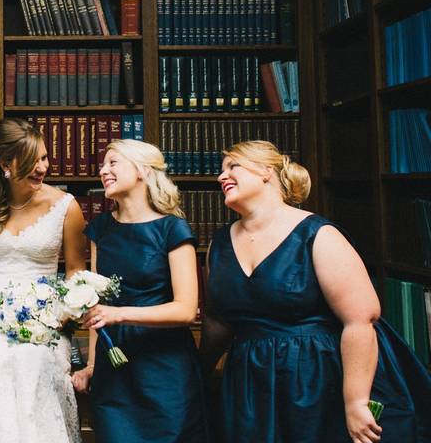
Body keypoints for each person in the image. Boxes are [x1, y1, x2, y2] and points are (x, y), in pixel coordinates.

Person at [200, 140, 431, 443]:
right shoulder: (218, 244)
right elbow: (218, 323)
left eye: (232, 166)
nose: (221, 177)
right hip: (249, 383)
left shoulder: (318, 235)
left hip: (316, 376)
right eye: (221, 170)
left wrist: (356, 402)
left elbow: (361, 320)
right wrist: (197, 374)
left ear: (267, 171)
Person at [0, 117, 88, 443]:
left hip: (44, 315)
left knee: (32, 360)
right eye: (32, 160)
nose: (42, 167)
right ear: (5, 163)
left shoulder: (67, 207)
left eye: (44, 158)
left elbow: (75, 272)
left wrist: (63, 313)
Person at [69, 139, 209, 442]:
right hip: (114, 373)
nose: (103, 171)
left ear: (143, 170)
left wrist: (119, 315)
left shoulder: (173, 230)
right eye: (103, 165)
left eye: (113, 163)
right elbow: (97, 306)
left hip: (165, 369)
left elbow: (185, 310)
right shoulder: (101, 229)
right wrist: (92, 364)